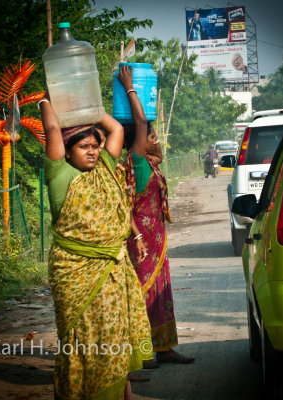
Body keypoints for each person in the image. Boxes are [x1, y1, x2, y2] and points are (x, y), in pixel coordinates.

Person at [40, 94, 153, 400]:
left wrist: (85, 101)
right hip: (73, 274)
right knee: (81, 339)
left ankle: (122, 393)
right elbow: (52, 131)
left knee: (113, 334)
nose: (91, 151)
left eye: (95, 145)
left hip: (111, 270)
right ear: (67, 152)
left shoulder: (105, 168)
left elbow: (115, 129)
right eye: (83, 147)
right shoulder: (60, 176)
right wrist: (48, 101)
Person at [117, 65, 195, 366]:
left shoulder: (152, 162)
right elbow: (139, 119)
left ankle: (164, 347)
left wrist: (153, 137)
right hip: (140, 240)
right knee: (143, 294)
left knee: (161, 291)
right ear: (139, 140)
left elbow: (159, 151)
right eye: (152, 135)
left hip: (156, 241)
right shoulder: (136, 161)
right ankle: (144, 352)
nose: (156, 139)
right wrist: (129, 87)